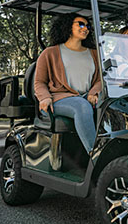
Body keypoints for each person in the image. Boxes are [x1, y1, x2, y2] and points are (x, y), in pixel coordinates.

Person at [34, 13, 101, 154]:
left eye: (88, 26)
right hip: (59, 100)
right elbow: (40, 82)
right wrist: (44, 97)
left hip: (86, 97)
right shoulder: (50, 53)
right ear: (68, 26)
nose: (85, 28)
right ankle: (95, 154)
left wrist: (93, 92)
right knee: (82, 107)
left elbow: (101, 79)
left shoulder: (94, 53)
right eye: (80, 24)